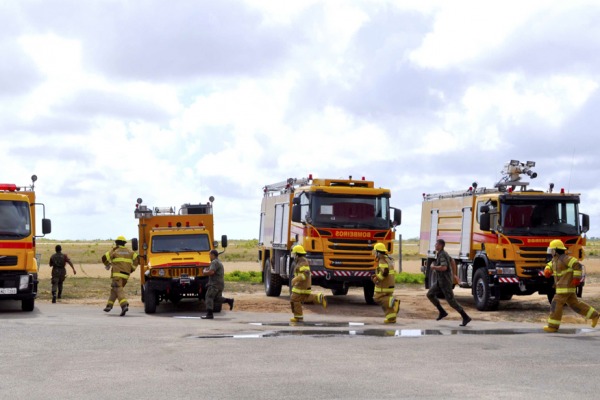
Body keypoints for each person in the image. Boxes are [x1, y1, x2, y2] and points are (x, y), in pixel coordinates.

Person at [543, 239, 599, 332]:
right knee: (575, 304)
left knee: (556, 304)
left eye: (552, 250)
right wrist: (547, 269)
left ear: (556, 251)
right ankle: (594, 315)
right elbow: (550, 265)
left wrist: (576, 278)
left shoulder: (565, 258)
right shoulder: (555, 260)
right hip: (563, 287)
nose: (551, 252)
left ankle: (553, 326)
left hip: (565, 287)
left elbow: (577, 265)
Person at [426, 239, 471, 326]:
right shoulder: (441, 254)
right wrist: (454, 275)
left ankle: (465, 317)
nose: (435, 245)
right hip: (440, 281)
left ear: (441, 246)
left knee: (451, 301)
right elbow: (452, 261)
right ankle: (442, 311)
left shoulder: (442, 254)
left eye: (437, 244)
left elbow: (444, 268)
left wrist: (433, 267)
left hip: (445, 282)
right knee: (430, 294)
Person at [101, 235, 139, 316]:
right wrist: (132, 268)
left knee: (118, 289)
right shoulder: (130, 251)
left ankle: (124, 305)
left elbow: (104, 258)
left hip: (117, 275)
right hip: (126, 276)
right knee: (116, 290)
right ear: (124, 243)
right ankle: (109, 306)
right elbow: (137, 258)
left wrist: (107, 264)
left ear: (117, 243)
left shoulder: (115, 251)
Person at [289, 245, 327, 323]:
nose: (293, 256)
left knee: (296, 298)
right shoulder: (300, 261)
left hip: (302, 285)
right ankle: (319, 297)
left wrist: (296, 279)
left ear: (297, 254)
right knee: (303, 298)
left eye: (294, 254)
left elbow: (305, 274)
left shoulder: (303, 262)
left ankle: (298, 317)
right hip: (300, 285)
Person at [371, 242, 400, 324]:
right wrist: (376, 275)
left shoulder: (382, 260)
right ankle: (391, 318)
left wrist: (377, 279)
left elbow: (385, 272)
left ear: (378, 252)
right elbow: (385, 271)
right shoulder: (388, 258)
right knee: (387, 304)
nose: (374, 253)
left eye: (375, 251)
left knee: (378, 298)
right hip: (389, 284)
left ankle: (394, 302)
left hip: (384, 285)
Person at [201, 249, 234, 319]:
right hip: (219, 284)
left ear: (213, 255)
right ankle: (229, 300)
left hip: (214, 284)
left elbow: (211, 272)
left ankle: (209, 314)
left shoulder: (214, 262)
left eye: (209, 255)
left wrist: (204, 272)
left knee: (208, 297)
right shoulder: (218, 262)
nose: (209, 256)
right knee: (216, 298)